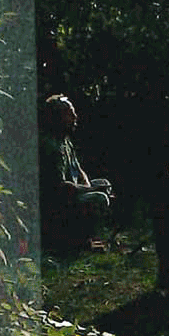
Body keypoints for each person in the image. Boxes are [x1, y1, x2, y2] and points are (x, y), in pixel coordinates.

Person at [39, 94, 114, 251]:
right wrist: (91, 190)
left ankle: (86, 238)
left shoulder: (65, 140)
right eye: (70, 113)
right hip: (57, 204)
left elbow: (78, 170)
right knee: (99, 198)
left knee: (104, 184)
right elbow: (59, 187)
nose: (75, 117)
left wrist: (88, 186)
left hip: (72, 193)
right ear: (57, 117)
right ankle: (76, 242)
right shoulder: (50, 146)